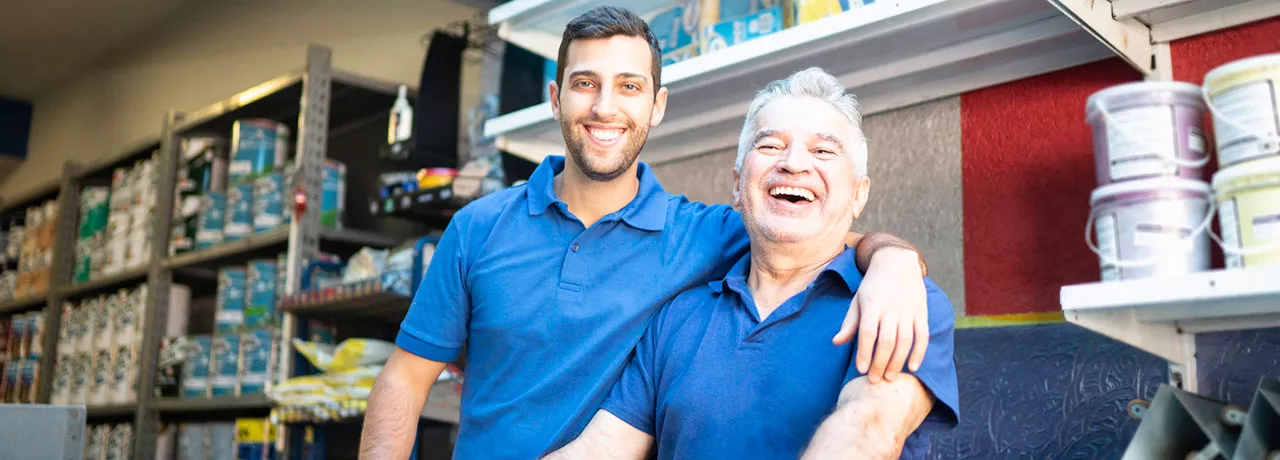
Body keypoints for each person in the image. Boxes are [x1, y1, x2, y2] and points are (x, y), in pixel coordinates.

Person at [359, 7, 939, 459]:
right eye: (585, 83)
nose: (605, 107)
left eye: (630, 87)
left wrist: (892, 260)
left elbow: (808, 233)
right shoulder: (476, 228)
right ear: (557, 98)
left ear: (657, 105)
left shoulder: (704, 234)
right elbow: (405, 381)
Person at [543, 67, 959, 460]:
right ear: (738, 186)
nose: (794, 163)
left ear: (858, 195)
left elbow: (864, 433)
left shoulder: (903, 301)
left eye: (823, 150)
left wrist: (893, 259)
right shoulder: (677, 316)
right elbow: (601, 448)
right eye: (770, 145)